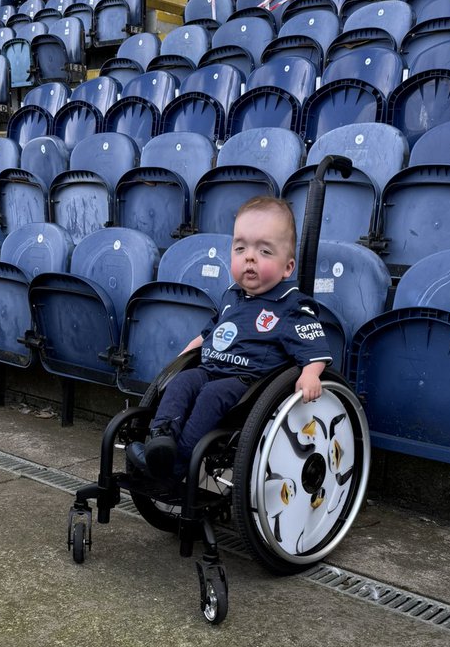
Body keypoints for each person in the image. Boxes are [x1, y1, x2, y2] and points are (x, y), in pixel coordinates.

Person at [128, 196, 331, 481]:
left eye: (264, 251)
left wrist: (311, 374)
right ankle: (160, 440)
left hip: (246, 384)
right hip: (211, 369)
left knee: (212, 395)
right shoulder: (231, 296)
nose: (249, 257)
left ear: (287, 267)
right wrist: (189, 350)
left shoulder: (291, 305)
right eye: (240, 248)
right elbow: (212, 331)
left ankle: (179, 463)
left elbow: (314, 346)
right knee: (182, 381)